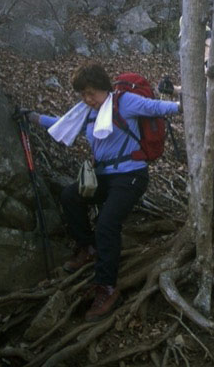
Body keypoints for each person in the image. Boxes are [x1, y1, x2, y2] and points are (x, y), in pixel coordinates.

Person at [24, 61, 182, 322]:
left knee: (107, 225)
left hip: (130, 175)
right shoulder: (86, 109)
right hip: (103, 177)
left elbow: (155, 107)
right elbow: (63, 123)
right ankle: (88, 249)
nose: (87, 99)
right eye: (83, 94)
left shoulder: (125, 101)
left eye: (91, 93)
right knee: (69, 196)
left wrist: (182, 104)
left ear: (103, 88)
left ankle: (107, 287)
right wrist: (33, 117)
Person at [158, 26, 214, 186]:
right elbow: (196, 85)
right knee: (203, 142)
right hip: (207, 96)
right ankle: (205, 182)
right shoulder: (194, 54)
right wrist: (173, 90)